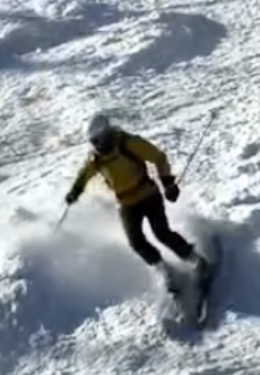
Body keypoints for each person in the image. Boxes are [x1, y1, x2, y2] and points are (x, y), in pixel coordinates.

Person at [64, 114, 210, 292]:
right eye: (93, 142)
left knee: (161, 233)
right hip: (127, 204)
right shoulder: (96, 159)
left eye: (98, 140)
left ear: (107, 133)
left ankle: (196, 260)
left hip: (148, 195)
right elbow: (84, 175)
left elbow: (158, 157)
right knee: (136, 242)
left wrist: (167, 183)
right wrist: (75, 192)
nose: (97, 146)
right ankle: (164, 270)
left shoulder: (127, 143)